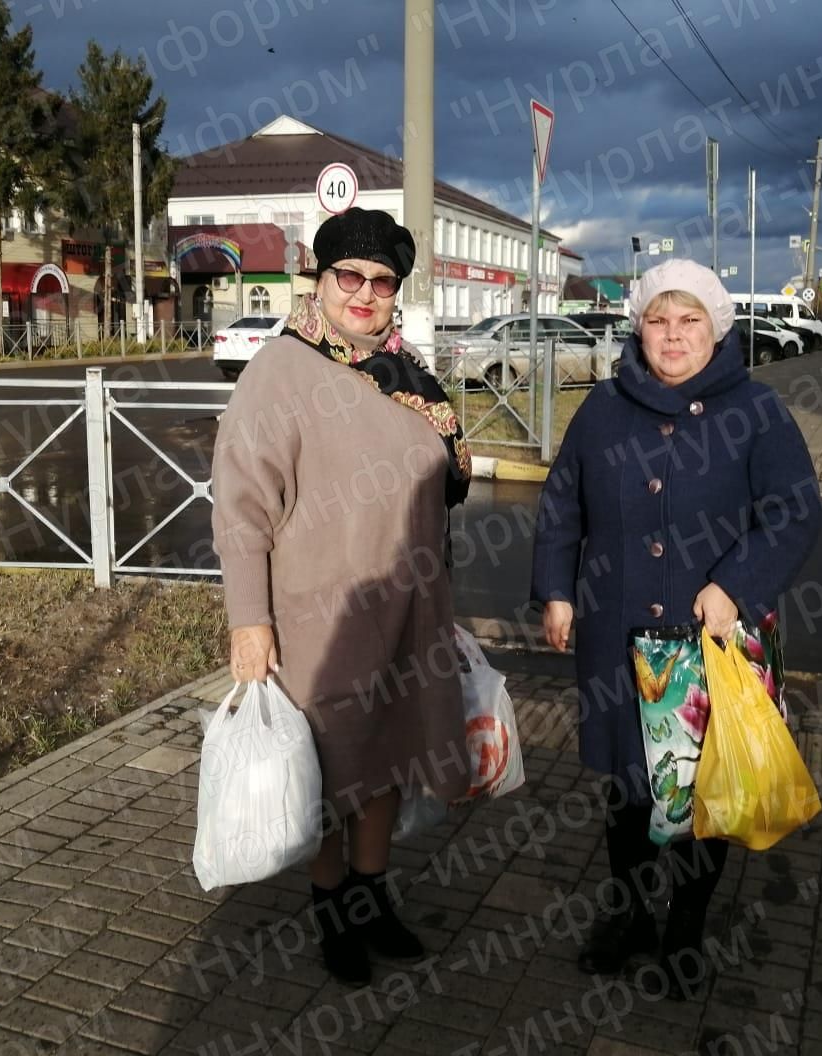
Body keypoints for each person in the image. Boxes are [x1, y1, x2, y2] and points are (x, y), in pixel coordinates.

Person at [532, 259, 822, 997]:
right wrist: (557, 592)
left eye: (689, 320)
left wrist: (735, 584)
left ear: (716, 328)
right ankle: (629, 914)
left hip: (707, 645)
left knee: (701, 797)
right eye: (659, 319)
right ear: (638, 326)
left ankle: (685, 927)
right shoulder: (602, 408)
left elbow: (795, 509)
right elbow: (563, 505)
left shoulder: (756, 411)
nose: (672, 335)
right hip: (616, 635)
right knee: (631, 792)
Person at [211, 208, 473, 987]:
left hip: (408, 612)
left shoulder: (404, 372)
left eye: (381, 281)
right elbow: (240, 508)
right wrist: (248, 622)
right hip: (316, 620)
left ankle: (372, 897)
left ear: (397, 291)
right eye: (347, 277)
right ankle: (332, 914)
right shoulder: (281, 370)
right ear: (319, 282)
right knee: (331, 771)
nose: (363, 293)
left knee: (389, 762)